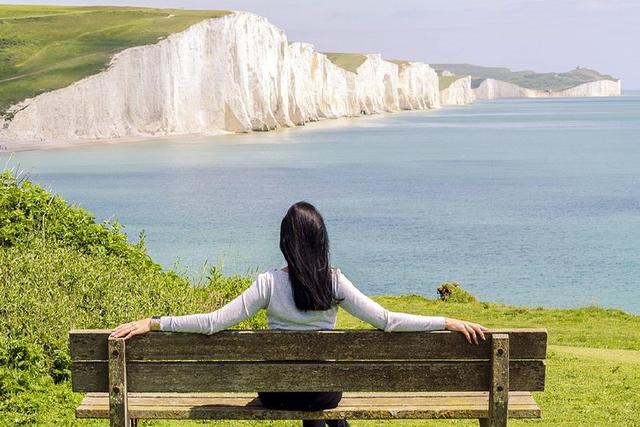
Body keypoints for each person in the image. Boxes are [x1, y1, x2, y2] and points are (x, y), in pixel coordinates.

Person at [111, 201, 487, 427]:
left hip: (275, 391)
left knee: (296, 381)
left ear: (285, 241)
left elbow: (212, 323)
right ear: (321, 240)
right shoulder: (335, 282)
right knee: (319, 389)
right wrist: (446, 320)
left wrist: (154, 322)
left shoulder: (267, 284)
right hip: (323, 394)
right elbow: (387, 321)